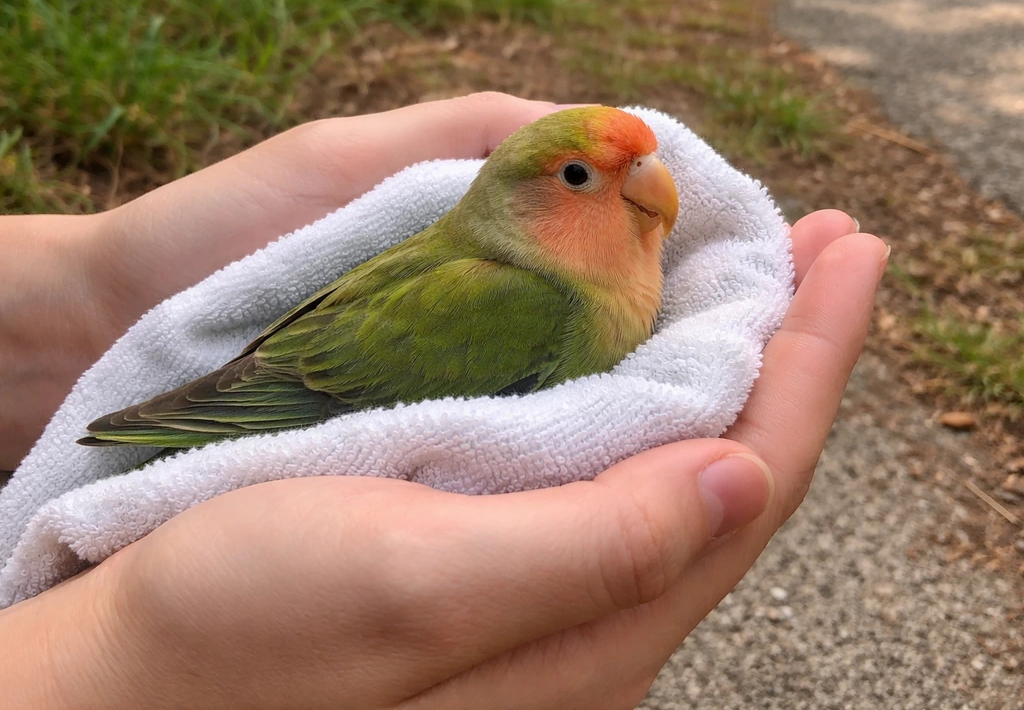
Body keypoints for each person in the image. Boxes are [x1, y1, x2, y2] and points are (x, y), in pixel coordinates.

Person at [0, 93, 887, 708]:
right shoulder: (532, 300)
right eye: (583, 178)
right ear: (520, 201)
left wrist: (88, 292)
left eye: (642, 168)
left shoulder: (594, 270)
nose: (648, 189)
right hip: (307, 389)